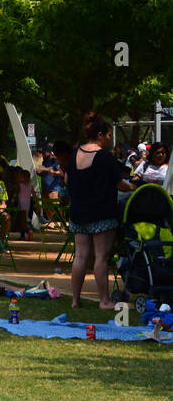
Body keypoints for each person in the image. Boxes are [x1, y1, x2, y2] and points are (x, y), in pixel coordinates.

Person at [63, 113, 134, 310]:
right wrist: (132, 188)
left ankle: (75, 300)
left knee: (80, 256)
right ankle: (104, 300)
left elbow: (67, 180)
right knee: (101, 257)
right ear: (101, 135)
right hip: (102, 213)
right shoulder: (104, 156)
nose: (111, 139)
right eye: (109, 135)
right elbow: (119, 184)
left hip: (78, 212)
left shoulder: (74, 154)